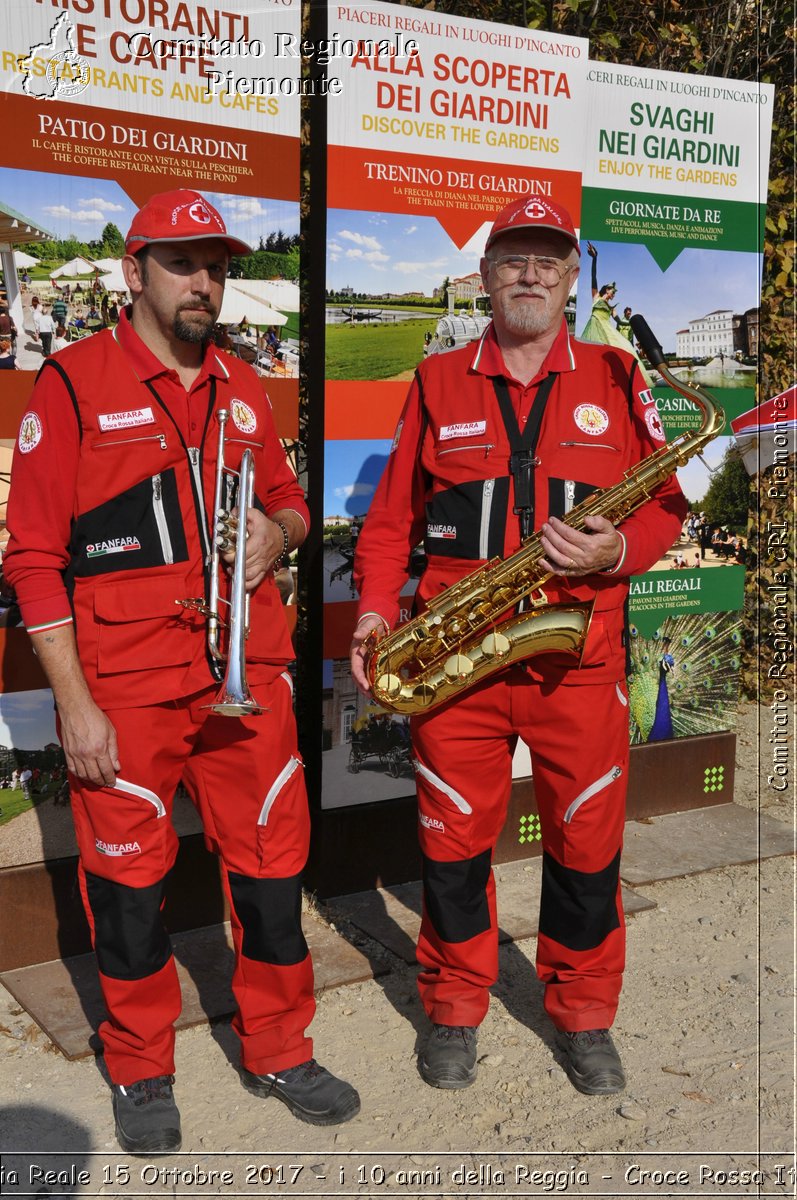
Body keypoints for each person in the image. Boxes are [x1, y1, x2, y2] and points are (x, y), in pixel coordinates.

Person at [4, 188, 359, 1155]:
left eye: (217, 265)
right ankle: (140, 1064)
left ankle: (281, 1046)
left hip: (249, 684)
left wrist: (277, 534)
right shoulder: (71, 383)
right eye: (181, 262)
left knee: (274, 877)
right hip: (124, 691)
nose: (204, 281)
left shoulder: (246, 386)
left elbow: (288, 498)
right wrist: (72, 703)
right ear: (134, 271)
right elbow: (32, 555)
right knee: (125, 892)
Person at [350, 196, 686, 1098]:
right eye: (512, 259)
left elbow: (664, 506)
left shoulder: (620, 376)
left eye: (548, 260)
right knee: (452, 848)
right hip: (457, 664)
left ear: (572, 276)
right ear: (486, 275)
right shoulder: (436, 381)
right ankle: (454, 1006)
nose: (529, 274)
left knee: (587, 847)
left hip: (577, 659)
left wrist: (619, 550)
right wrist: (375, 609)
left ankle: (581, 1016)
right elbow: (388, 523)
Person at [580, 245, 652, 385]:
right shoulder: (596, 297)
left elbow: (620, 322)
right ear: (607, 289)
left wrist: (635, 324)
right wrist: (595, 258)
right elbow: (593, 276)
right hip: (594, 329)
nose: (614, 295)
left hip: (607, 331)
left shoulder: (612, 308)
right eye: (613, 292)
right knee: (591, 355)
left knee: (624, 347)